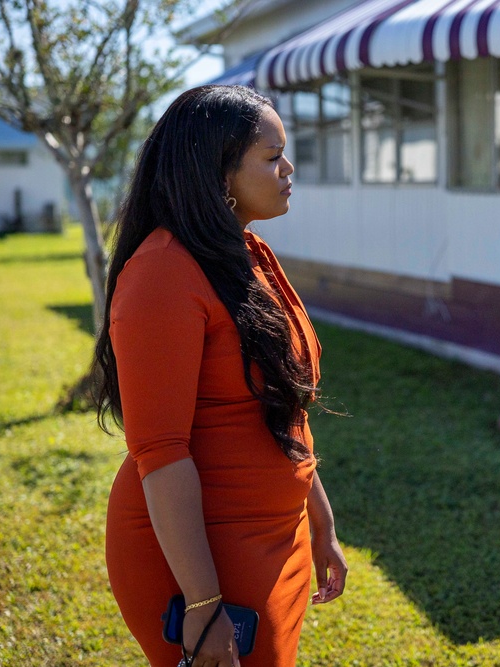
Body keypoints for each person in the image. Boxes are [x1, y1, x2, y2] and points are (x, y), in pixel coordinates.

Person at [93, 85, 348, 667]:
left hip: (275, 542)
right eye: (271, 156)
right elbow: (161, 452)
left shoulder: (250, 255)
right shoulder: (162, 272)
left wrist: (320, 520)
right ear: (219, 173)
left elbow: (281, 408)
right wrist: (204, 607)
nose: (288, 170)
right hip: (200, 555)